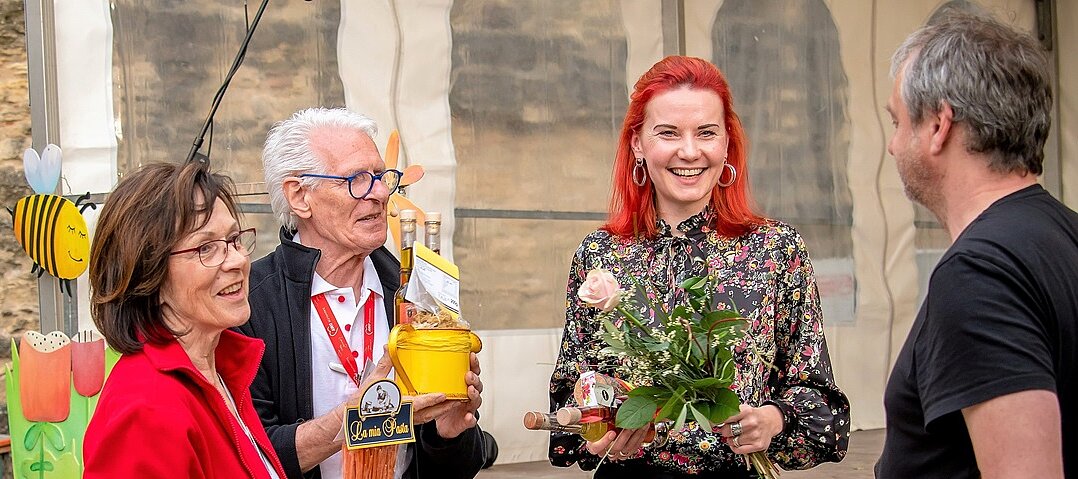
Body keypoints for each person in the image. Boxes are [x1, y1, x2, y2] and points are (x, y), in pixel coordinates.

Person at [549, 55, 850, 478]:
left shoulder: (775, 250)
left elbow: (823, 408)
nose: (689, 151)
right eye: (668, 133)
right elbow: (568, 397)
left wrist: (773, 421)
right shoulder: (599, 254)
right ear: (637, 143)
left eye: (706, 133)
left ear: (727, 142)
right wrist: (601, 423)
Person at [876, 11, 1076, 479]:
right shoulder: (1064, 235)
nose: (892, 145)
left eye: (898, 122)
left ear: (940, 125)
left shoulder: (980, 274)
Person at [239, 107, 486, 479]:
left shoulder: (416, 295)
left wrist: (449, 432)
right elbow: (249, 455)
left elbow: (458, 465)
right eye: (357, 178)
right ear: (299, 196)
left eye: (382, 176)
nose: (382, 192)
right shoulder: (249, 304)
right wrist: (354, 417)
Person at [84, 161, 286, 479]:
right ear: (149, 273)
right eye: (207, 248)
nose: (237, 260)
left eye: (234, 240)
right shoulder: (145, 408)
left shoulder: (222, 374)